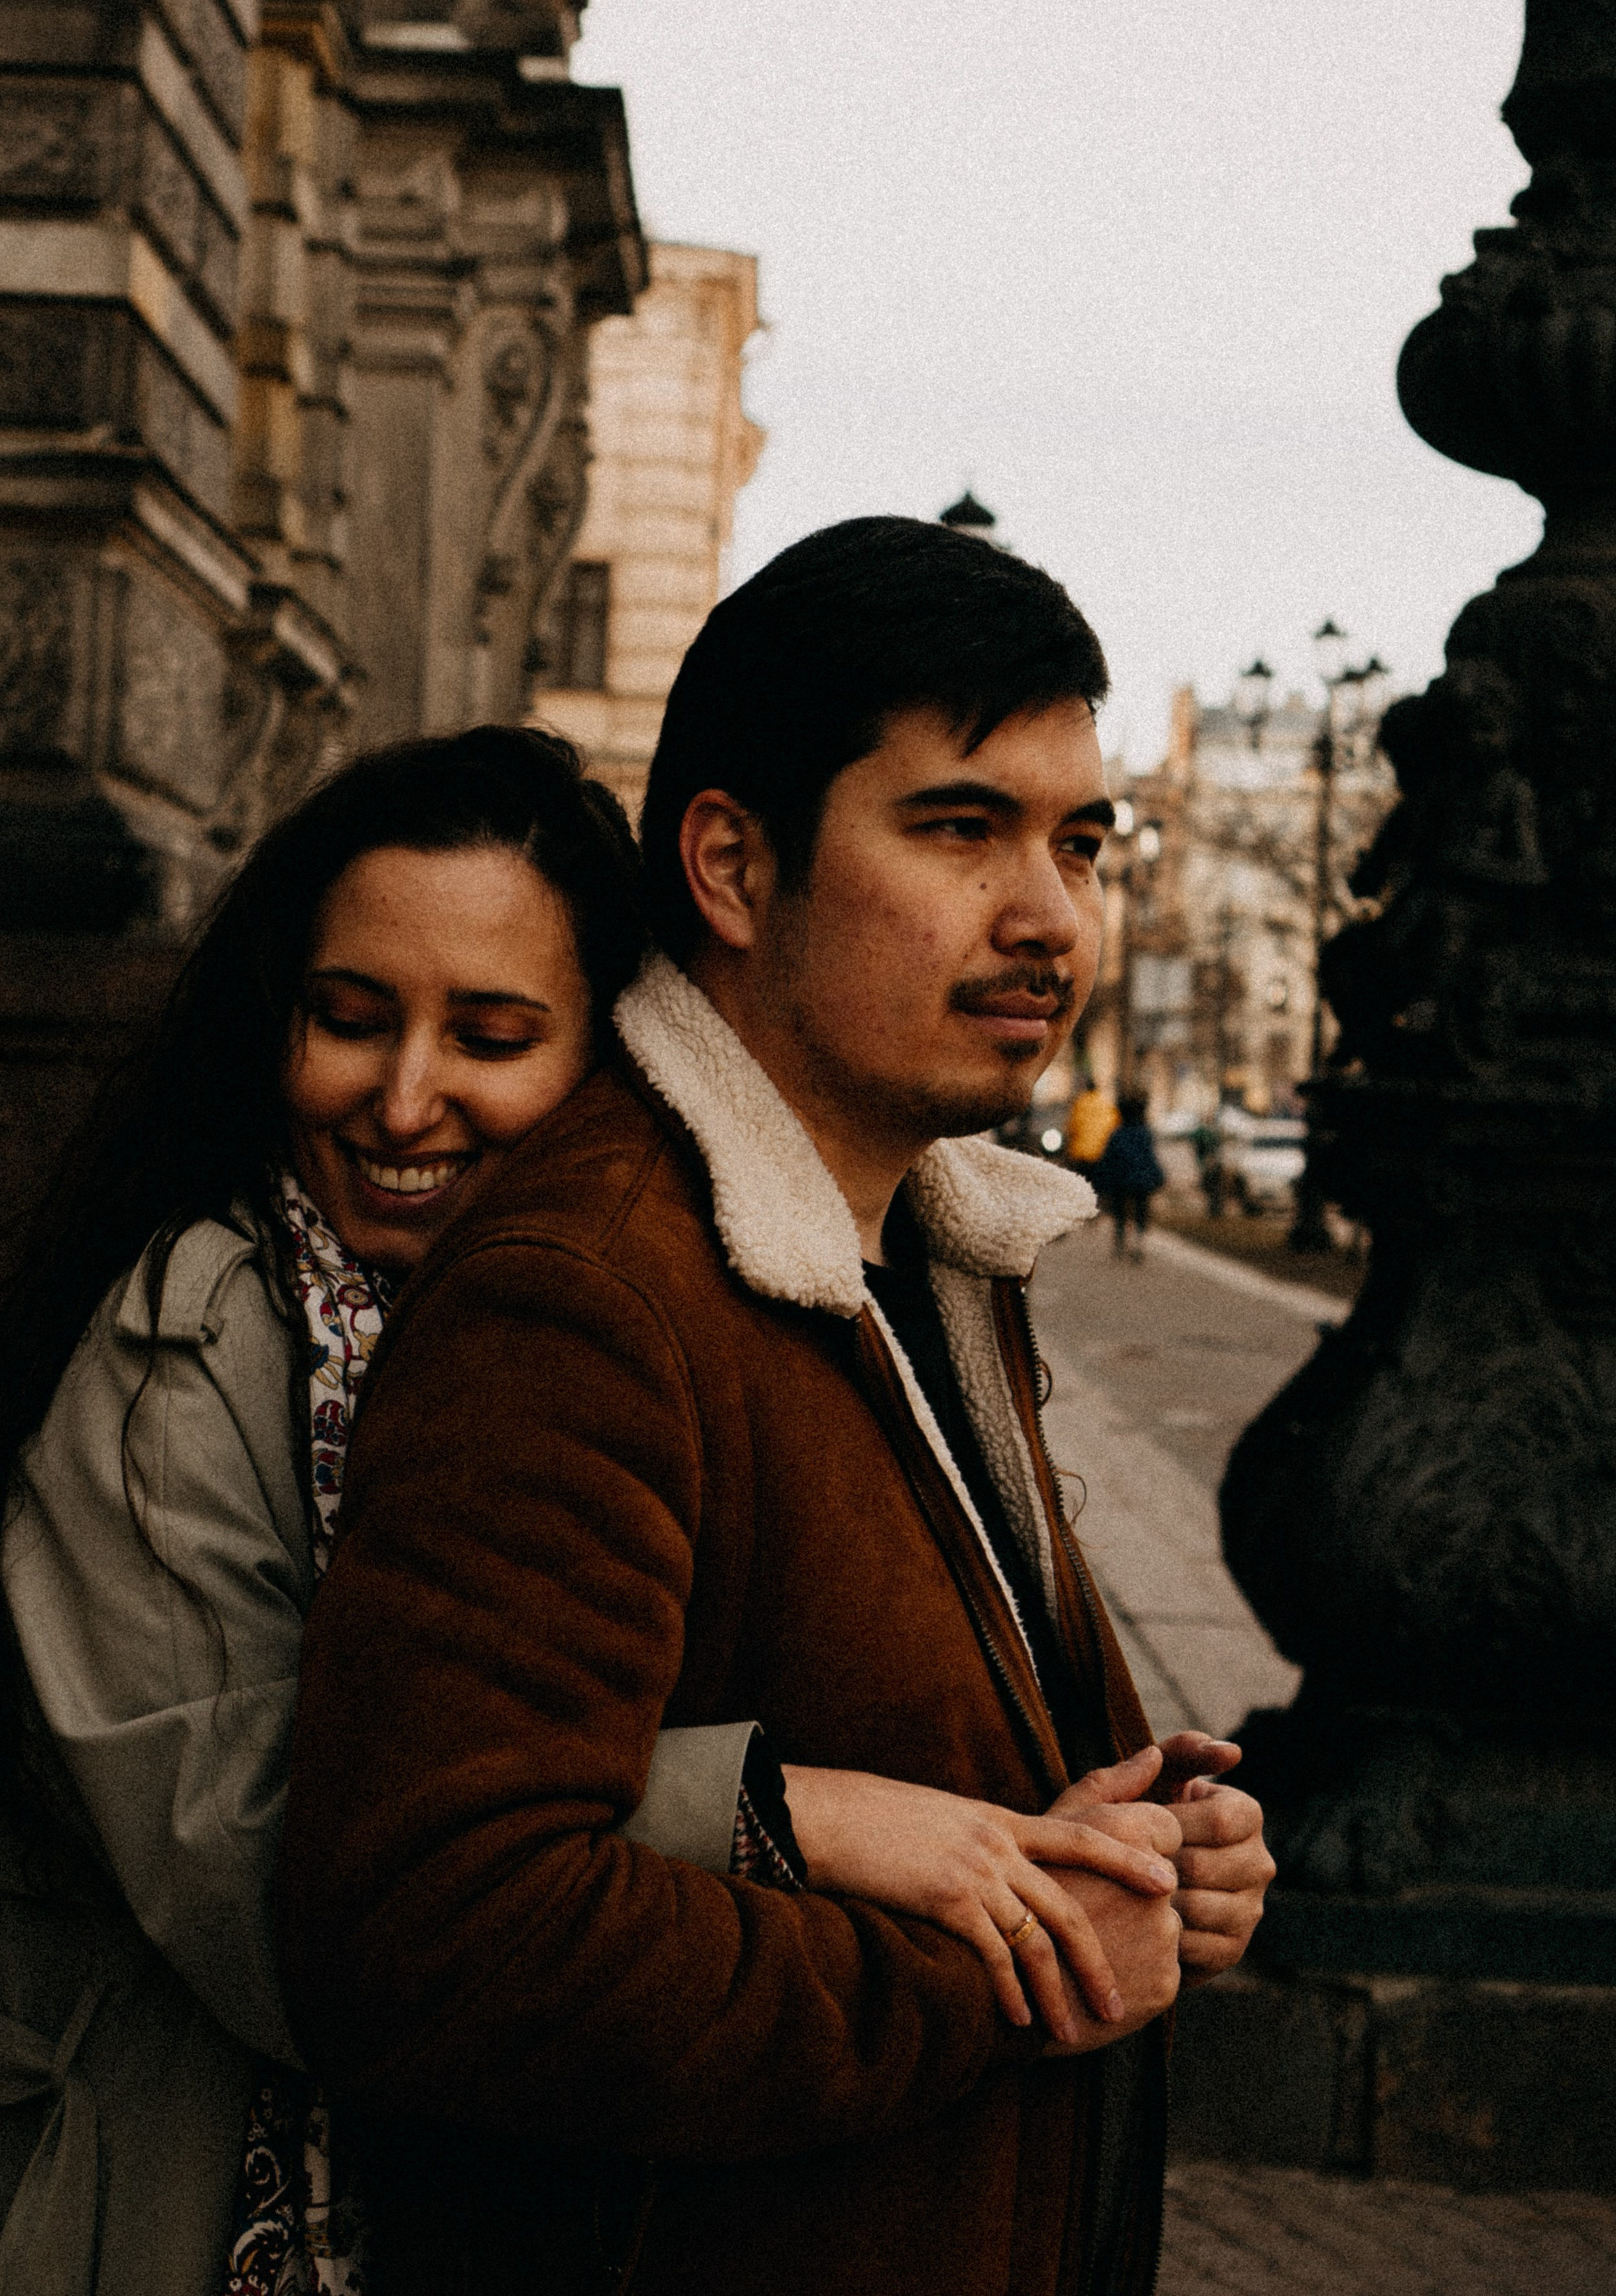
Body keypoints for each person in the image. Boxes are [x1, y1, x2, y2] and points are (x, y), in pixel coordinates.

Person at [0, 726, 1179, 2296]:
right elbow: (292, 1908)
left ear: (605, 1057)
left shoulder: (595, 1321)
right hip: (175, 2215)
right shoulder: (181, 1353)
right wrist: (783, 1813)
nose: (403, 1096)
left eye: (492, 1033)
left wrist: (1130, 1833)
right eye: (349, 1018)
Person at [277, 519, 1274, 2296]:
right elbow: (441, 1937)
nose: (1051, 915)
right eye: (961, 830)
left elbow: (939, 1774)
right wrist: (1017, 1977)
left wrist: (1144, 1841)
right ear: (733, 867)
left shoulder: (939, 1261)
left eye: (1085, 842)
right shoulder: (592, 1295)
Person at [1092, 1094, 1167, 1263]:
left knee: (1119, 1213)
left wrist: (1100, 1182)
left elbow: (1107, 1161)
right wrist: (1158, 1176)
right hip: (1141, 1180)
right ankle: (1139, 1243)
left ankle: (1120, 1243)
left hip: (1120, 1180)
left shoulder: (1117, 1134)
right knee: (1141, 1212)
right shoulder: (1145, 1134)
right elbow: (1150, 1158)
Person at [1062, 1075, 1120, 1181]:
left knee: (1081, 1183)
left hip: (1080, 1153)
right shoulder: (1106, 1105)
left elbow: (1071, 1127)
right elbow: (1115, 1127)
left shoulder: (1080, 1103)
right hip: (1101, 1153)